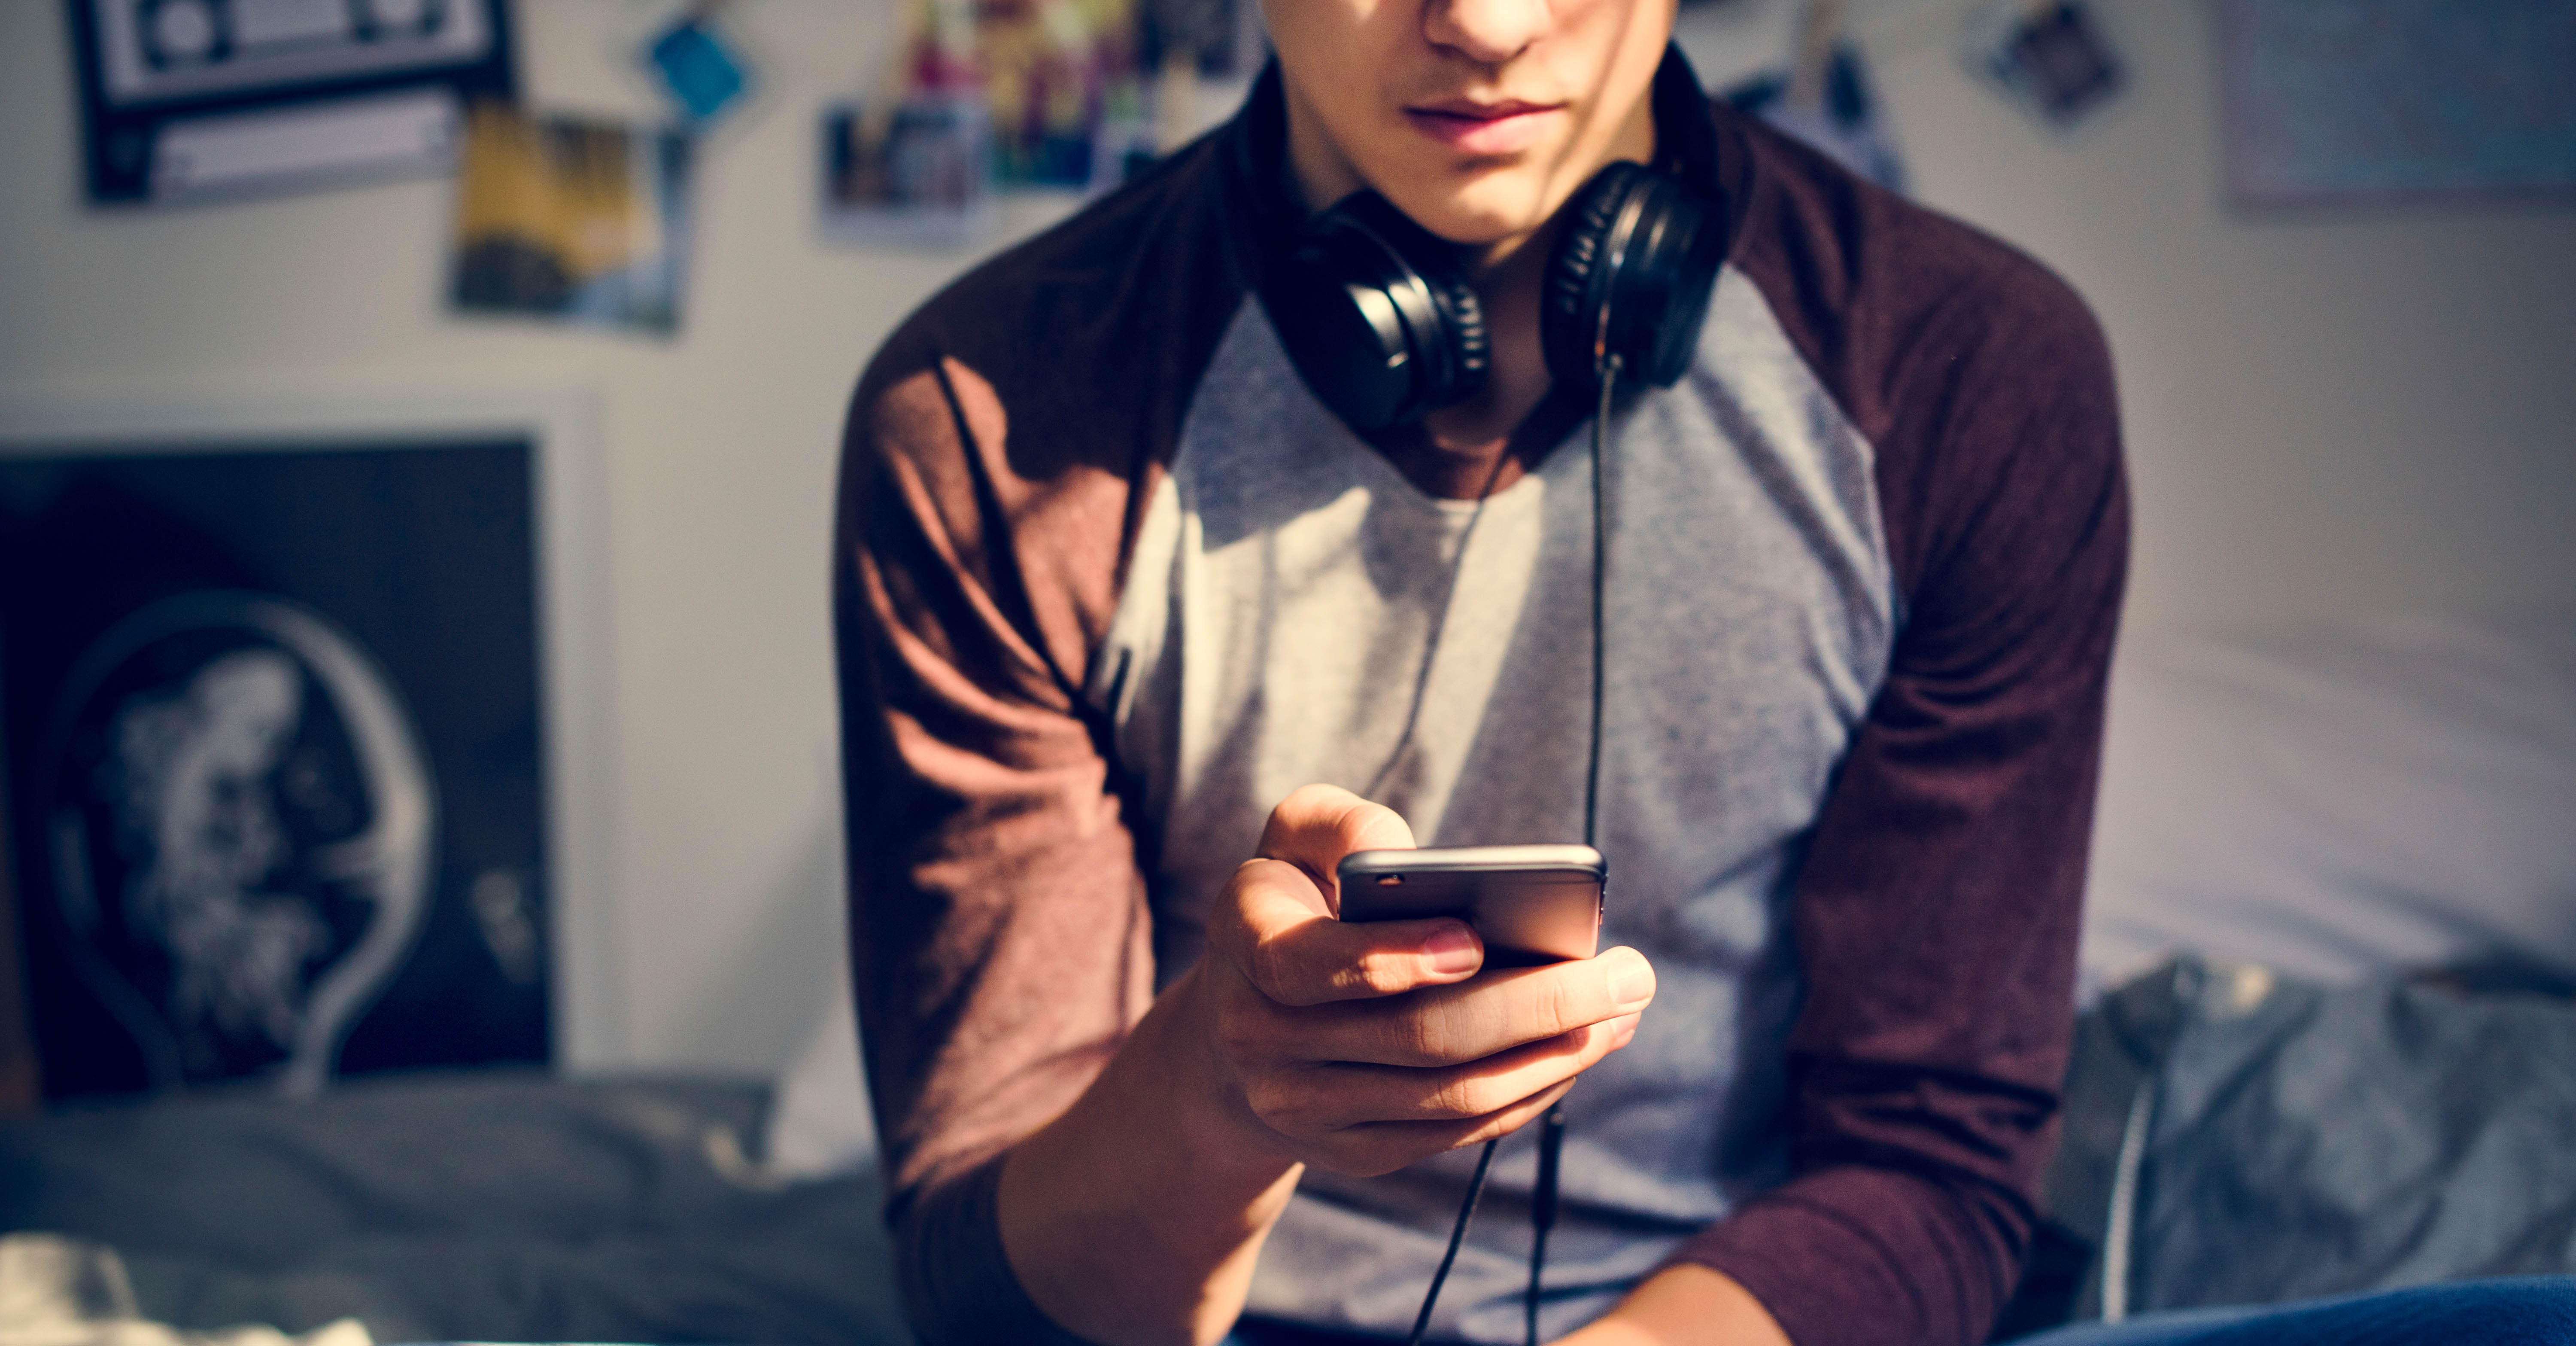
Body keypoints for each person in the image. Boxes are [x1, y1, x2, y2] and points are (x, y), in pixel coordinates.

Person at [827, 0, 2573, 1341]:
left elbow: (1932, 1171)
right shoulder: (985, 419)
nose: (1489, 24)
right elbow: (984, 1286)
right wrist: (1218, 1086)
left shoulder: (1971, 378)